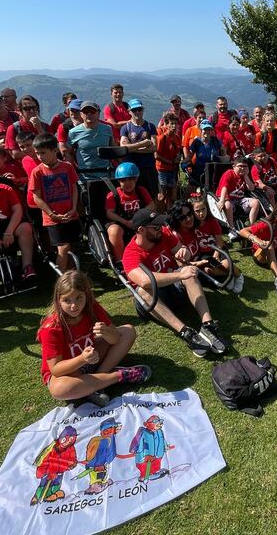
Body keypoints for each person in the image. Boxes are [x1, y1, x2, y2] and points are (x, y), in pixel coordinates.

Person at [123, 208, 229, 357]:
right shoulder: (130, 254)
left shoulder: (164, 234)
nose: (161, 229)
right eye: (156, 227)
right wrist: (179, 275)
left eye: (160, 225)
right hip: (154, 301)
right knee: (143, 291)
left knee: (188, 272)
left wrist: (184, 252)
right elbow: (145, 281)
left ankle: (208, 325)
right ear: (141, 230)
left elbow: (183, 252)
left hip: (174, 288)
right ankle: (185, 332)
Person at [38, 271, 149, 405]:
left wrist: (106, 332)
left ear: (86, 295)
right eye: (67, 300)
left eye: (79, 298)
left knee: (128, 331)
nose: (74, 305)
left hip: (92, 357)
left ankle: (96, 383)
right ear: (58, 301)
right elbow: (56, 369)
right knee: (59, 390)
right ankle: (118, 376)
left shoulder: (91, 307)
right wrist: (82, 359)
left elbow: (115, 339)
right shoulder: (51, 327)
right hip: (68, 372)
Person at [168, 198, 244, 294]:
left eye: (203, 209)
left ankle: (238, 276)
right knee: (208, 270)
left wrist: (216, 254)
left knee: (226, 264)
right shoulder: (188, 227)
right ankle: (229, 275)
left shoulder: (208, 222)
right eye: (197, 211)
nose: (201, 213)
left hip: (215, 250)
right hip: (203, 255)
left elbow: (219, 241)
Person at [29, 133, 79, 273]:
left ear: (55, 150)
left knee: (72, 247)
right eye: (37, 153)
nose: (40, 156)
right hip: (52, 219)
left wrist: (74, 208)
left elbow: (74, 188)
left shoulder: (67, 167)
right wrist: (51, 214)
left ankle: (72, 276)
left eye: (43, 153)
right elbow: (36, 197)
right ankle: (61, 280)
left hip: (70, 215)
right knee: (63, 248)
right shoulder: (37, 172)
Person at [105, 163, 154, 261]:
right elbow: (109, 213)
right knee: (114, 231)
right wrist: (126, 222)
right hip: (121, 222)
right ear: (118, 181)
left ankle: (149, 254)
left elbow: (151, 205)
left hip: (139, 220)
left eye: (131, 179)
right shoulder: (113, 194)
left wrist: (139, 218)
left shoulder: (141, 190)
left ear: (136, 179)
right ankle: (121, 260)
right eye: (123, 180)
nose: (128, 183)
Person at [119, 98, 158, 197]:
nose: (137, 112)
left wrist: (132, 149)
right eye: (134, 110)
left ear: (143, 110)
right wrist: (143, 144)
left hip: (148, 169)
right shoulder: (125, 128)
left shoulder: (150, 126)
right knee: (135, 197)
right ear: (129, 111)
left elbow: (154, 148)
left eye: (139, 109)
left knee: (152, 196)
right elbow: (123, 148)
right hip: (132, 170)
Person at [64, 101, 113, 178]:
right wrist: (71, 172)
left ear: (98, 113)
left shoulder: (107, 129)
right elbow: (69, 153)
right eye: (86, 112)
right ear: (81, 114)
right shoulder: (73, 133)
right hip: (85, 176)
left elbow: (113, 149)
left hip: (106, 174)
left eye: (92, 111)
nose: (89, 114)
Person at [154, 113, 182, 211]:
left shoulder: (177, 138)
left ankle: (170, 213)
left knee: (171, 195)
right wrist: (170, 162)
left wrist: (178, 158)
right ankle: (160, 214)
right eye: (171, 124)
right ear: (166, 124)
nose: (174, 126)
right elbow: (156, 155)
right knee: (162, 195)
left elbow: (178, 152)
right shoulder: (162, 138)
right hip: (162, 170)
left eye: (175, 124)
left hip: (172, 170)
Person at [187, 121, 225, 189]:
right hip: (199, 169)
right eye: (205, 129)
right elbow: (189, 156)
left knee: (211, 190)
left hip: (213, 170)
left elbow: (223, 151)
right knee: (191, 188)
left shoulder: (215, 140)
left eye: (209, 130)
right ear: (201, 130)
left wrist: (223, 159)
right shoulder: (197, 142)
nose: (207, 132)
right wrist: (186, 163)